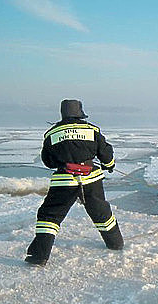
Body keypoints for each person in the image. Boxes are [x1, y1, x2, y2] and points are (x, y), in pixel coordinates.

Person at [25, 99, 124, 266]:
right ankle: (115, 244)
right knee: (101, 213)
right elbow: (106, 153)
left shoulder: (51, 133)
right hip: (91, 179)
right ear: (80, 114)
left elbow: (48, 161)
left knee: (49, 216)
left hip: (63, 180)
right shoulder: (92, 130)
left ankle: (39, 256)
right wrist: (109, 165)